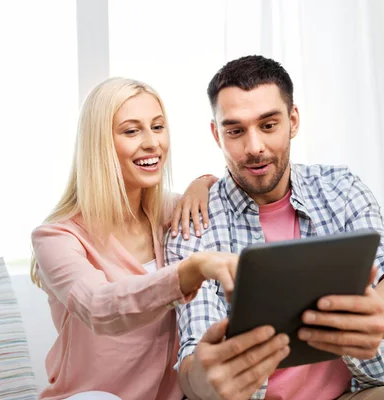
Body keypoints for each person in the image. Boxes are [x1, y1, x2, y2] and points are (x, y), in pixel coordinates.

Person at [166, 55, 384, 400]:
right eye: (235, 131)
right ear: (216, 134)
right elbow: (193, 353)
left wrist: (378, 315)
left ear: (293, 120)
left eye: (268, 125)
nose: (254, 148)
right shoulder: (193, 222)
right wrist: (206, 378)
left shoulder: (339, 188)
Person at [30, 77, 237, 400]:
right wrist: (188, 272)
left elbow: (222, 196)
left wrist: (203, 182)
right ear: (99, 144)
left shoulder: (171, 213)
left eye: (157, 127)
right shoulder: (57, 237)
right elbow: (100, 307)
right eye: (131, 130)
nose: (152, 143)